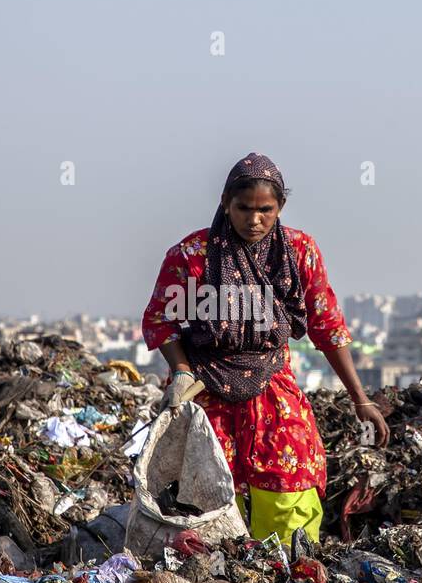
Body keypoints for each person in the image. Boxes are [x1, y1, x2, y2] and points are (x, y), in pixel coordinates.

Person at [141, 152, 389, 546]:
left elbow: (326, 325)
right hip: (206, 389)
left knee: (290, 479)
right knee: (209, 488)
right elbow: (160, 321)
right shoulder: (191, 256)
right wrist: (182, 370)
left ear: (280, 207)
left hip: (272, 383)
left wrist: (361, 399)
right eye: (243, 209)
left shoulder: (298, 251)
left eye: (265, 210)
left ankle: (285, 569)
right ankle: (225, 575)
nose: (254, 220)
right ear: (225, 203)